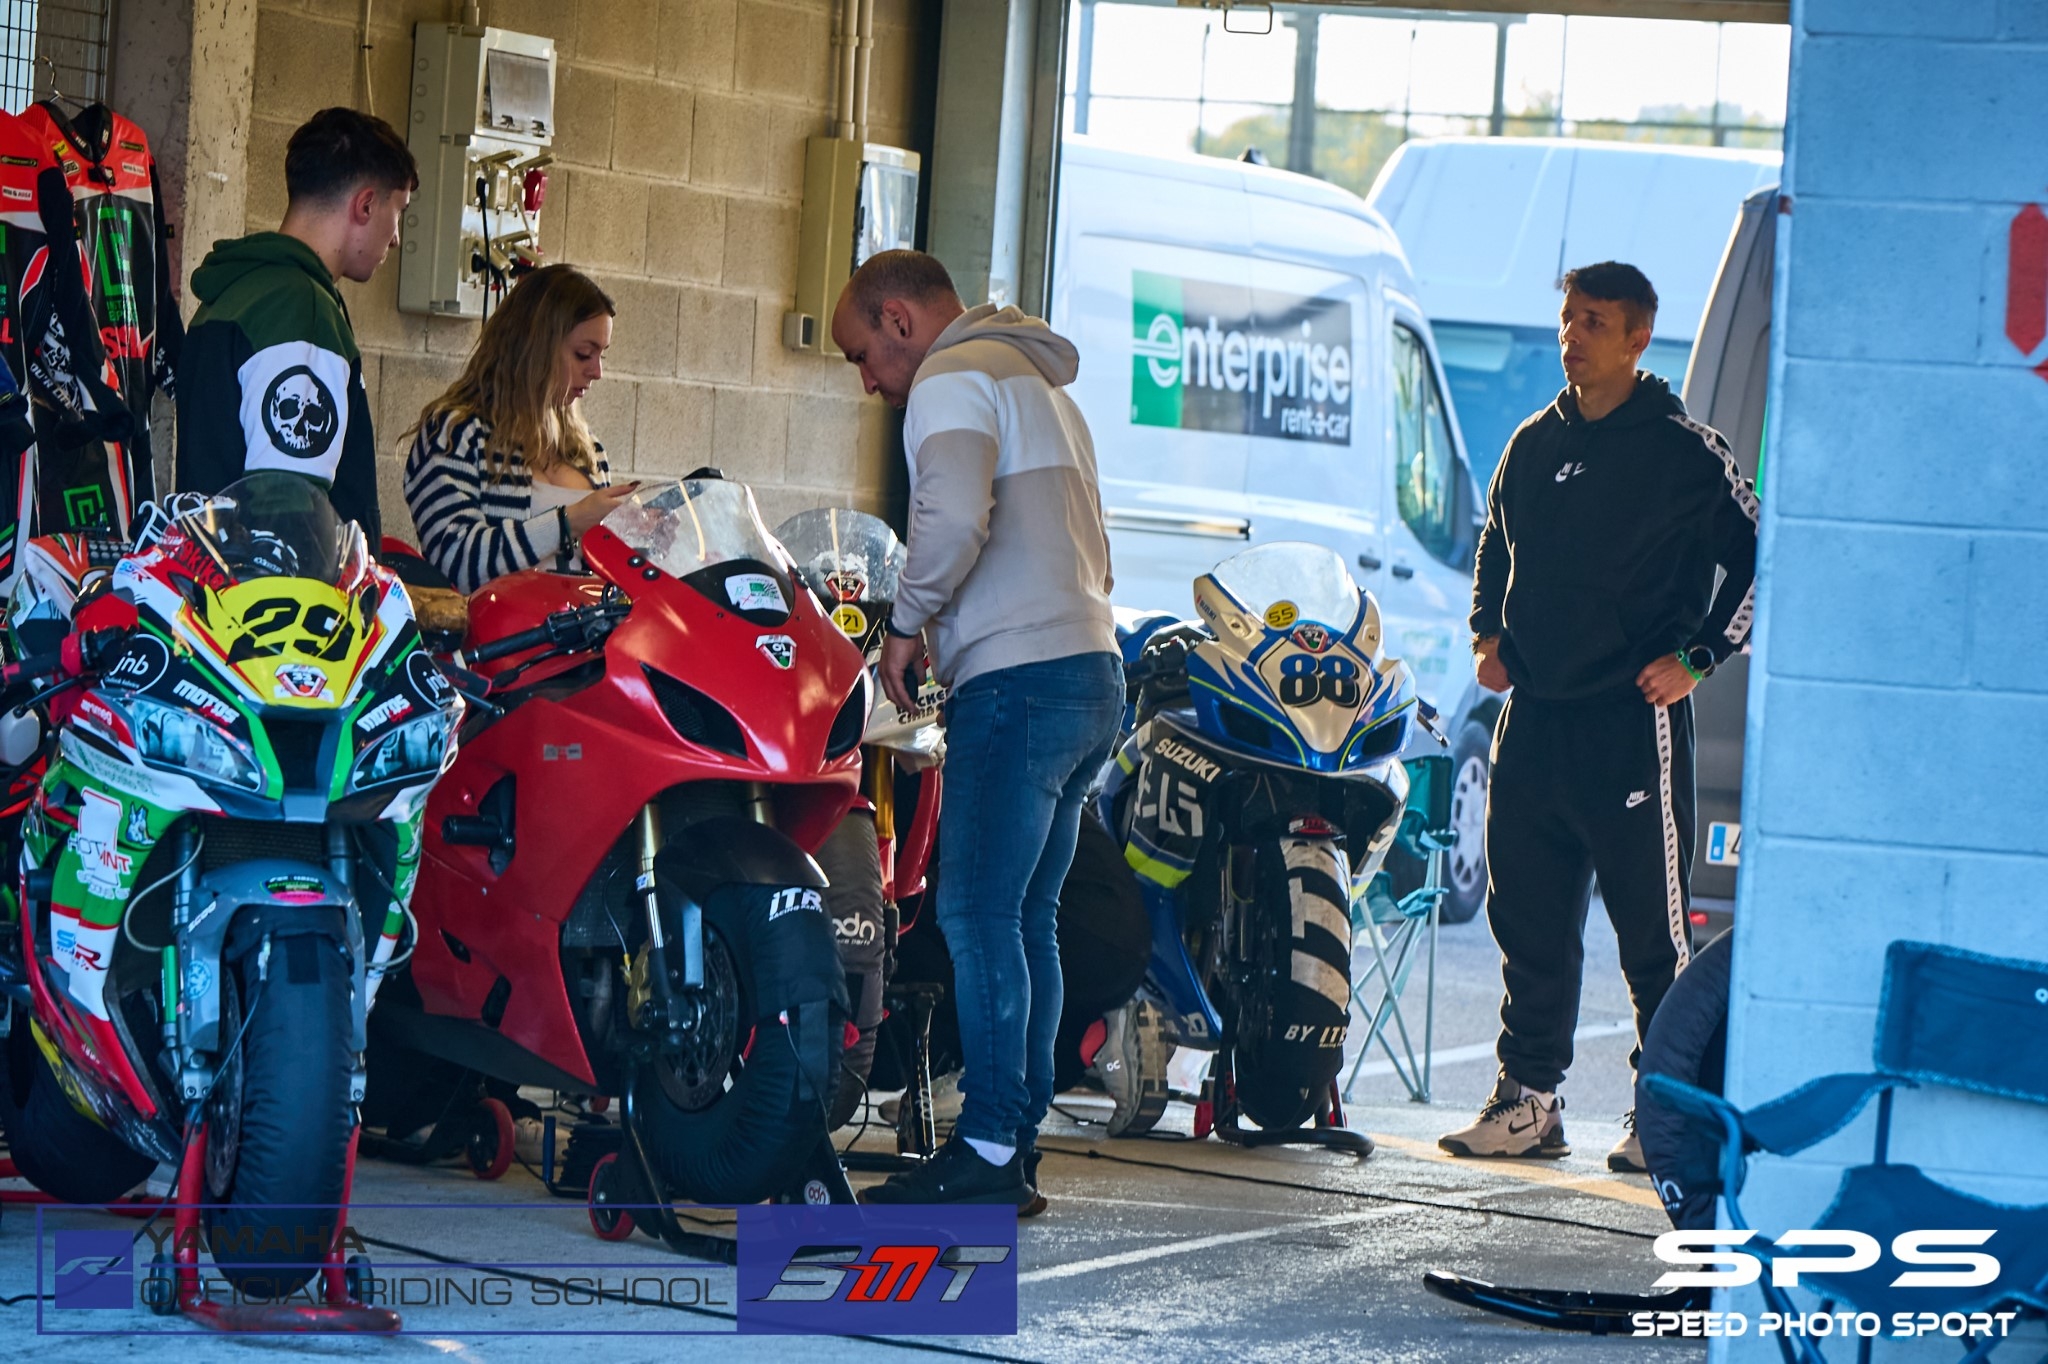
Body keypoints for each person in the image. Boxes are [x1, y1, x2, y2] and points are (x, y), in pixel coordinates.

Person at [1439, 261, 1757, 1172]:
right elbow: (1493, 545)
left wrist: (1699, 658)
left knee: (1653, 938)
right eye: (1569, 318)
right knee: (1529, 926)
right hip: (1535, 723)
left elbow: (1763, 553)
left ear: (1637, 339)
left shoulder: (1685, 451)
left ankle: (1667, 1114)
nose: (1572, 337)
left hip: (1631, 727)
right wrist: (1487, 636)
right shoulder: (1533, 442)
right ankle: (1529, 1103)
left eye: (1595, 323)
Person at [833, 250, 1121, 1210]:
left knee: (977, 915)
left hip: (1021, 678)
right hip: (1091, 669)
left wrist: (905, 626)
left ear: (900, 320)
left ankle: (991, 1149)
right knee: (1027, 916)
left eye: (862, 355)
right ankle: (1014, 1139)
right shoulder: (1038, 382)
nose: (868, 383)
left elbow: (954, 520)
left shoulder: (951, 376)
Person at [177, 107, 416, 545]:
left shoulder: (239, 292)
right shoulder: (301, 309)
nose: (396, 237)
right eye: (399, 210)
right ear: (365, 205)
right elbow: (288, 516)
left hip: (214, 571)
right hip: (277, 586)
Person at [401, 265, 637, 593]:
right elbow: (457, 564)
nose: (596, 371)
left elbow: (605, 575)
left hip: (580, 626)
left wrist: (642, 542)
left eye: (602, 356)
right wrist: (568, 522)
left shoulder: (588, 451)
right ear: (536, 347)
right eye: (583, 354)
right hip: (492, 626)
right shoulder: (456, 434)